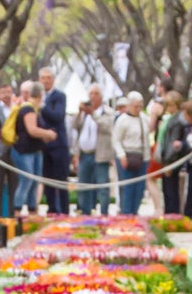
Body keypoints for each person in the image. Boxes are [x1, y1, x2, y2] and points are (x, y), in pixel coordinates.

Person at [6, 79, 54, 215]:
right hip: (24, 151)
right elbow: (32, 130)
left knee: (34, 182)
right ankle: (17, 211)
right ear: (40, 94)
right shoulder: (28, 108)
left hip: (35, 151)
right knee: (26, 181)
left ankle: (33, 210)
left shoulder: (35, 109)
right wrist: (48, 134)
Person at [73, 87, 113, 214]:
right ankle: (85, 212)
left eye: (96, 94)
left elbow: (107, 127)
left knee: (102, 186)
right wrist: (80, 113)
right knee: (83, 186)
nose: (93, 96)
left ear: (101, 97)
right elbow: (74, 126)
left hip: (100, 154)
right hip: (84, 154)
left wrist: (93, 114)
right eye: (91, 93)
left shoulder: (108, 112)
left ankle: (104, 213)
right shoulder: (84, 113)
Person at [37, 67, 71, 215]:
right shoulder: (35, 98)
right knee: (47, 179)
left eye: (48, 77)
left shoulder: (59, 96)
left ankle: (64, 210)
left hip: (58, 145)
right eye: (43, 78)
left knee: (61, 180)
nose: (46, 80)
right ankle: (52, 209)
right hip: (43, 146)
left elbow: (57, 116)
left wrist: (42, 106)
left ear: (53, 79)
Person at [112, 91, 151, 216]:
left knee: (139, 188)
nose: (138, 109)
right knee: (128, 188)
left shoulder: (144, 119)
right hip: (126, 156)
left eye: (140, 106)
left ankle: (135, 211)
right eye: (135, 106)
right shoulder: (122, 120)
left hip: (141, 156)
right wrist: (121, 155)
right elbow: (116, 140)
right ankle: (127, 213)